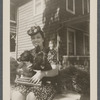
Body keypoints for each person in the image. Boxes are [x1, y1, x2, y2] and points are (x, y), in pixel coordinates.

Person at [11, 26, 59, 100]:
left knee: (31, 97)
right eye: (33, 38)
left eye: (38, 37)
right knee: (16, 95)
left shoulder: (50, 52)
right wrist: (19, 71)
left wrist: (42, 74)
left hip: (45, 84)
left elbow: (55, 71)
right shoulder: (29, 53)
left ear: (43, 39)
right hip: (28, 83)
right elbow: (19, 68)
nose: (35, 40)